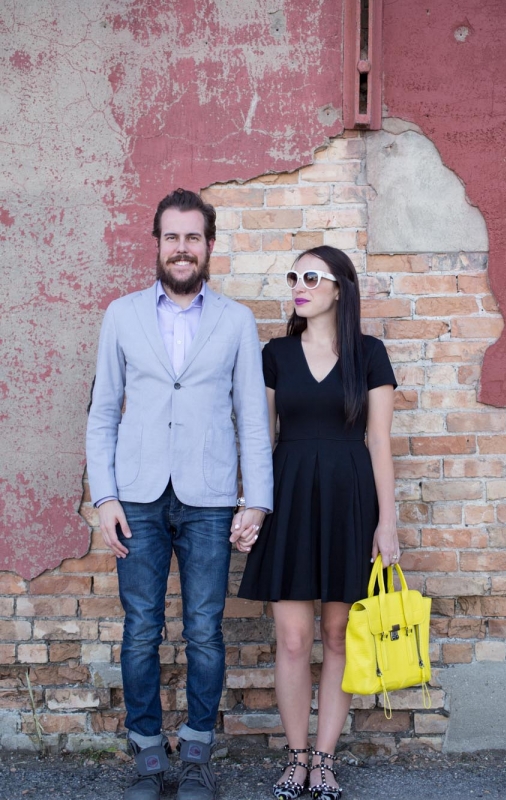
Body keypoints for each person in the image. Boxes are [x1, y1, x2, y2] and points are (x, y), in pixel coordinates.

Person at [86, 188, 273, 800]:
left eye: (194, 237)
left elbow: (252, 417)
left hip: (209, 497)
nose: (183, 248)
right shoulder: (122, 315)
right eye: (172, 237)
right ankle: (146, 756)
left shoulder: (236, 321)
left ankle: (195, 753)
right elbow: (102, 413)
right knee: (140, 628)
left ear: (209, 246)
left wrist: (257, 499)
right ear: (158, 245)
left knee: (203, 629)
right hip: (136, 495)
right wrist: (105, 496)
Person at [237, 246, 398, 800]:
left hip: (350, 499)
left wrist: (388, 523)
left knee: (336, 636)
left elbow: (379, 441)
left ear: (339, 288)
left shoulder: (370, 353)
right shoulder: (275, 353)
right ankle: (297, 758)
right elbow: (259, 440)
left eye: (311, 276)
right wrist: (253, 503)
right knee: (291, 638)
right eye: (293, 276)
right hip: (290, 497)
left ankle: (325, 762)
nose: (298, 285)